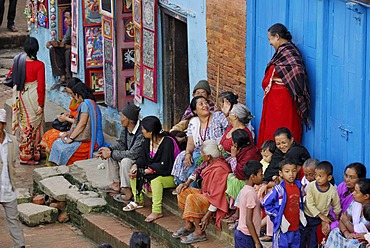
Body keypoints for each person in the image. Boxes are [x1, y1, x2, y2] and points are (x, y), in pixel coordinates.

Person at [257, 23, 310, 148]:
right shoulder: (281, 52)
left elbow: (298, 72)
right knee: (271, 126)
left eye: (270, 39)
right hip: (275, 100)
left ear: (277, 37)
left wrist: (283, 82)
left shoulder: (290, 52)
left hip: (284, 101)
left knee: (285, 126)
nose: (270, 43)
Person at [172, 140, 230, 244]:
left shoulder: (220, 169)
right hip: (206, 193)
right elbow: (197, 171)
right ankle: (189, 225)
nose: (200, 155)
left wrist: (207, 215)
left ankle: (199, 232)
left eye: (202, 153)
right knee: (183, 191)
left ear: (208, 156)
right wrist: (186, 183)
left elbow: (217, 196)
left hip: (214, 201)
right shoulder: (208, 162)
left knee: (191, 198)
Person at [123, 116, 180, 223]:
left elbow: (165, 166)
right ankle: (138, 201)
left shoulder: (167, 143)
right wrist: (135, 166)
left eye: (144, 129)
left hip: (170, 175)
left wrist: (147, 171)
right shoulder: (147, 141)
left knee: (156, 181)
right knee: (134, 174)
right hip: (154, 171)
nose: (142, 131)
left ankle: (157, 210)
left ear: (151, 131)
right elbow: (142, 158)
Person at [171, 95, 228, 186]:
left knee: (196, 159)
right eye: (201, 104)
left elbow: (229, 127)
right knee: (182, 157)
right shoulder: (194, 123)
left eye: (206, 103)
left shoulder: (217, 116)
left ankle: (192, 186)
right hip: (200, 151)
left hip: (217, 150)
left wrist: (227, 114)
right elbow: (190, 143)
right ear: (195, 111)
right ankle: (181, 185)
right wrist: (188, 153)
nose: (205, 105)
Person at [48, 82, 105, 165]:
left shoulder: (85, 104)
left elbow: (82, 124)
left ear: (78, 94)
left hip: (92, 139)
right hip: (93, 135)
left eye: (74, 95)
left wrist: (70, 138)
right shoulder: (91, 102)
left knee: (60, 146)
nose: (73, 97)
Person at [98, 102, 144, 202]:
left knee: (125, 161)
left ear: (128, 119)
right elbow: (121, 144)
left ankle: (127, 190)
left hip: (139, 161)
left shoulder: (141, 133)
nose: (120, 119)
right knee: (112, 153)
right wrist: (109, 149)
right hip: (130, 155)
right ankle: (116, 184)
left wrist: (111, 153)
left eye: (122, 116)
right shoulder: (125, 129)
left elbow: (133, 154)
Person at [11, 37, 45, 165]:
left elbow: (11, 75)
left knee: (26, 124)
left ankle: (31, 153)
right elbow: (41, 87)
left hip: (22, 96)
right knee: (34, 126)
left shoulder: (18, 61)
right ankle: (27, 155)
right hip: (34, 96)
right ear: (37, 49)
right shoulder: (39, 65)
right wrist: (41, 104)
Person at [262, 158, 307, 248]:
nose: (291, 174)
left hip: (296, 228)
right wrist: (277, 216)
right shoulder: (279, 189)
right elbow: (265, 202)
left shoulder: (299, 186)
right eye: (287, 171)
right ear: (281, 173)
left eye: (294, 171)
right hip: (282, 229)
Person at [40, 78, 82, 163]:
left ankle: (55, 162)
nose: (71, 96)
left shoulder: (83, 104)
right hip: (71, 126)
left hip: (77, 129)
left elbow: (81, 123)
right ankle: (51, 160)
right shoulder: (74, 101)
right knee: (49, 134)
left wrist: (66, 119)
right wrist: (67, 116)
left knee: (54, 138)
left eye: (71, 93)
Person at [0, 109, 25, 248]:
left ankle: (20, 245)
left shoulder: (13, 141)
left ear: (3, 125)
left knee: (13, 219)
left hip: (8, 188)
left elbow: (13, 163)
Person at [300, 161, 341, 247]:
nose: (317, 178)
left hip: (318, 220)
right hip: (307, 216)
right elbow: (309, 203)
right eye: (316, 175)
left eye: (320, 176)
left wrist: (337, 215)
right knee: (302, 238)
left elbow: (336, 204)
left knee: (313, 240)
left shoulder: (332, 190)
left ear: (329, 177)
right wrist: (321, 215)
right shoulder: (311, 186)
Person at [325, 178, 370, 247]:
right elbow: (342, 219)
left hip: (363, 239)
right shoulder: (355, 203)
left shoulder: (368, 211)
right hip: (351, 235)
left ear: (366, 196)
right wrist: (347, 234)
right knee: (335, 232)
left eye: (356, 192)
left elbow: (358, 231)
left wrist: (347, 222)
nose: (353, 193)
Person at [234, 160, 263, 248]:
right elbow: (248, 221)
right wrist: (257, 242)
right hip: (247, 236)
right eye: (261, 174)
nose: (262, 176)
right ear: (253, 176)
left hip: (242, 234)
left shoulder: (245, 190)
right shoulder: (251, 193)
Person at [330, 162, 367, 229]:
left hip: (348, 225)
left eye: (351, 177)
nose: (347, 179)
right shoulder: (342, 186)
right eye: (346, 175)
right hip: (335, 219)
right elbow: (333, 204)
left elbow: (348, 218)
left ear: (360, 179)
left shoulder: (360, 197)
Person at [46, 6, 72, 88]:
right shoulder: (69, 29)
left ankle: (68, 77)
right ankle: (62, 76)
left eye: (67, 18)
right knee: (53, 50)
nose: (65, 20)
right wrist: (55, 44)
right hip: (68, 48)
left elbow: (76, 46)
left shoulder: (75, 28)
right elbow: (64, 42)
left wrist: (62, 45)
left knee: (68, 52)